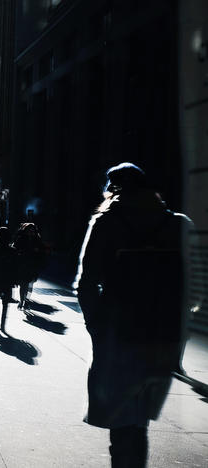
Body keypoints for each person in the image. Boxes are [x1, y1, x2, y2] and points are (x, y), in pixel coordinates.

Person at [74, 162, 191, 468]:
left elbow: (86, 284)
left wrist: (96, 327)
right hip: (161, 336)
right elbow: (197, 285)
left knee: (122, 422)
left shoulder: (106, 223)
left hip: (119, 334)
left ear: (112, 189)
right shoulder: (179, 224)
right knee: (139, 421)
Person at [13, 222, 46, 310]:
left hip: (32, 265)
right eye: (29, 230)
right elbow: (15, 249)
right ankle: (21, 301)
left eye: (33, 231)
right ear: (26, 231)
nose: (31, 232)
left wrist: (38, 251)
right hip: (23, 264)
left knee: (29, 284)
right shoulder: (21, 239)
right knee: (23, 284)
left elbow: (42, 251)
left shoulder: (37, 240)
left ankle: (26, 301)